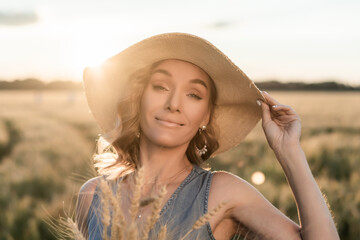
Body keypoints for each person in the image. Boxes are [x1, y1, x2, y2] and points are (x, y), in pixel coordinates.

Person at [76, 33, 339, 239]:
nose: (174, 103)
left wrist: (289, 150)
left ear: (205, 117)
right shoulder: (92, 195)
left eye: (194, 95)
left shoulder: (220, 193)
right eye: (160, 86)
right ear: (139, 98)